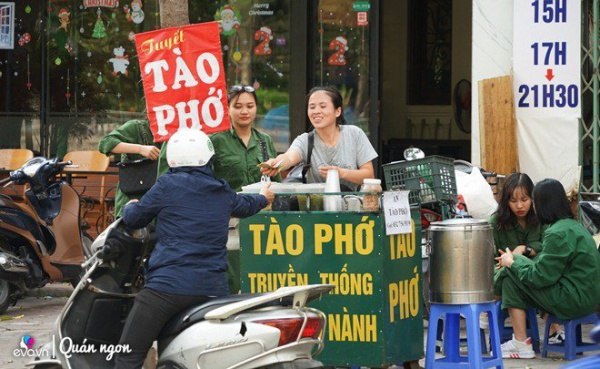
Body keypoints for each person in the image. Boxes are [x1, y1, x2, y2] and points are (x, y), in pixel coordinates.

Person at [113, 129, 274, 368]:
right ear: (209, 157)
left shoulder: (167, 185)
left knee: (128, 355)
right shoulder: (220, 189)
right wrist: (264, 197)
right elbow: (246, 205)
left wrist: (130, 205)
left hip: (166, 289)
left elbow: (135, 219)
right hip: (213, 291)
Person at [496, 178, 600, 359]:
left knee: (509, 275)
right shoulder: (575, 227)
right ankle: (525, 339)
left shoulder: (556, 232)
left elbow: (539, 277)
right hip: (588, 298)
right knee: (514, 267)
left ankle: (521, 343)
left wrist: (511, 262)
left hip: (573, 300)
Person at [210, 84, 281, 294]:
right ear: (228, 109)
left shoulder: (264, 141)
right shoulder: (216, 140)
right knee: (232, 277)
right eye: (238, 106)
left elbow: (274, 181)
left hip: (262, 219)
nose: (244, 111)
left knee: (261, 277)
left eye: (250, 106)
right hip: (229, 219)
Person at [261, 86, 378, 191]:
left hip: (351, 206)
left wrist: (341, 173)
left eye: (323, 106)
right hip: (317, 208)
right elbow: (289, 157)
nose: (316, 111)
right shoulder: (305, 140)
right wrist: (276, 163)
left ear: (337, 111)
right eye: (312, 107)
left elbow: (369, 175)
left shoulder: (354, 134)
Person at [98, 119, 160, 218]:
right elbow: (105, 144)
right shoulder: (138, 127)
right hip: (133, 203)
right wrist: (140, 149)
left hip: (159, 204)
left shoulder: (176, 131)